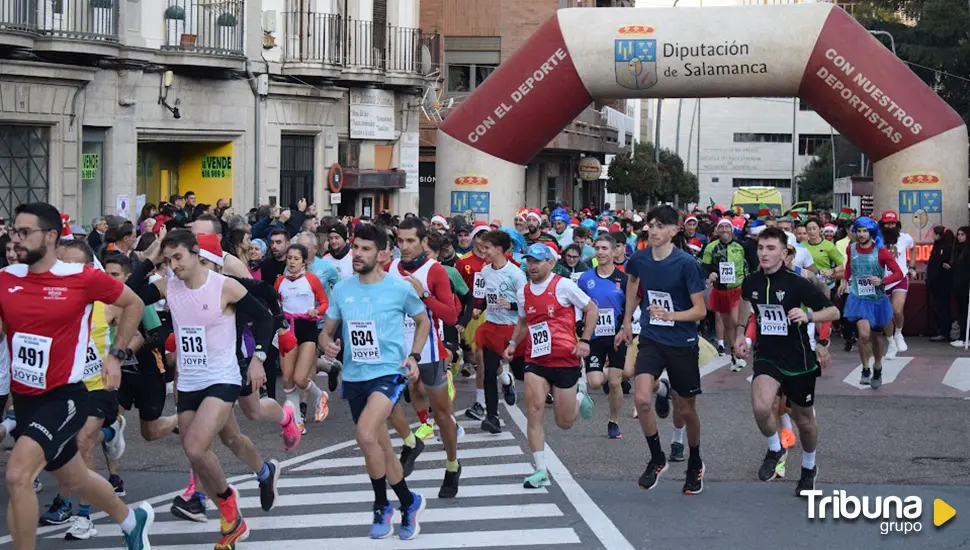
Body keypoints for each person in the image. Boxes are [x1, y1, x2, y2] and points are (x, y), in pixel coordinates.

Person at [0, 202, 154, 549]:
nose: (16, 240)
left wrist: (116, 355)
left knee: (17, 474)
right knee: (75, 476)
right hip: (24, 398)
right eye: (14, 232)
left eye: (25, 232)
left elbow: (134, 304)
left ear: (51, 236)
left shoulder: (80, 278)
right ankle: (132, 520)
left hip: (65, 397)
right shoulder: (6, 279)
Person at [139, 230, 277, 546]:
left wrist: (258, 358)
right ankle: (242, 502)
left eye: (179, 257)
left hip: (223, 376)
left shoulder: (223, 286)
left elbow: (264, 317)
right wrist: (150, 257)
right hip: (189, 381)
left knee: (196, 446)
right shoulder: (168, 287)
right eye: (168, 259)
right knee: (217, 445)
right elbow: (127, 292)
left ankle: (229, 513)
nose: (173, 265)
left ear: (197, 253)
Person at [319, 224, 429, 540]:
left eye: (366, 249)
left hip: (389, 374)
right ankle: (409, 501)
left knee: (364, 433)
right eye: (355, 247)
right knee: (380, 446)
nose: (357, 254)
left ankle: (381, 505)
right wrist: (327, 342)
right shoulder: (342, 289)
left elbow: (422, 320)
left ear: (382, 254)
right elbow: (326, 330)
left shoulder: (399, 289)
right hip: (355, 377)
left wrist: (415, 356)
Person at [735, 228, 839, 495]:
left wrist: (809, 317)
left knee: (804, 421)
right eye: (761, 248)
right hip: (767, 354)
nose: (764, 253)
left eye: (771, 249)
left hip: (798, 357)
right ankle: (775, 447)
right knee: (761, 407)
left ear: (784, 253)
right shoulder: (751, 282)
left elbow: (833, 311)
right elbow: (745, 305)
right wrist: (740, 334)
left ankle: (808, 466)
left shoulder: (797, 283)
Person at [618, 205, 707, 493]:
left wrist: (672, 316)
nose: (653, 231)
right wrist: (627, 321)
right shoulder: (640, 258)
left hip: (682, 342)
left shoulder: (686, 264)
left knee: (686, 410)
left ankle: (695, 461)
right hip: (652, 338)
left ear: (674, 230)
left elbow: (700, 310)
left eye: (659, 226)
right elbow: (632, 280)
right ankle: (657, 458)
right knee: (642, 399)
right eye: (650, 225)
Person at [505, 243, 597, 488]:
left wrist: (585, 341)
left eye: (537, 261)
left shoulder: (564, 285)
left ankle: (579, 396)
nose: (531, 266)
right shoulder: (524, 292)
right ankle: (540, 469)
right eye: (529, 261)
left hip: (565, 359)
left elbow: (592, 309)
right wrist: (514, 342)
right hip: (536, 360)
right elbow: (524, 321)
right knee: (533, 410)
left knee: (564, 423)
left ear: (550, 263)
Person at [385, 217, 461, 496]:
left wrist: (424, 293)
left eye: (410, 241)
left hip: (430, 352)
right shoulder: (390, 267)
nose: (404, 247)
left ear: (423, 242)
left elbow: (451, 316)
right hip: (396, 353)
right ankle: (410, 441)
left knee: (443, 415)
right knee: (385, 405)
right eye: (400, 241)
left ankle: (452, 466)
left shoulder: (435, 270)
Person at [577, 234, 631, 439]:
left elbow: (630, 308)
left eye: (604, 249)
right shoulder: (585, 278)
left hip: (616, 336)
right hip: (594, 336)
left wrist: (625, 328)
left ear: (614, 251)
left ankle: (614, 421)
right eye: (597, 248)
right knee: (595, 382)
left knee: (616, 383)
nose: (600, 252)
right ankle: (609, 371)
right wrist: (579, 325)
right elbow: (576, 304)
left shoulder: (623, 279)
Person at [839, 217, 904, 389]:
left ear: (871, 232)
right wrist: (844, 280)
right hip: (858, 298)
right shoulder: (850, 248)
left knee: (877, 338)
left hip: (877, 300)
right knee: (864, 335)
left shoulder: (881, 251)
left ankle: (878, 366)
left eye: (865, 231)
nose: (861, 234)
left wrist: (882, 281)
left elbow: (899, 274)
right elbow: (849, 267)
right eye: (858, 231)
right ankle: (865, 368)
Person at [474, 230, 528, 433]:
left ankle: (509, 383)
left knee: (522, 372)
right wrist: (479, 306)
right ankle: (492, 417)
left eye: (487, 248)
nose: (484, 251)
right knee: (489, 371)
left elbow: (526, 304)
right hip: (492, 327)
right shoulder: (486, 271)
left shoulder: (516, 274)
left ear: (499, 249)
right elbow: (484, 294)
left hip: (514, 330)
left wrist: (512, 305)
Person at [275, 244, 330, 431]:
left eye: (296, 258)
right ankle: (297, 422)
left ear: (303, 261)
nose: (291, 262)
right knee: (287, 379)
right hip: (288, 329)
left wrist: (317, 310)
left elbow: (324, 302)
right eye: (289, 258)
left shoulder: (311, 280)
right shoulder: (280, 281)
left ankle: (319, 396)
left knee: (300, 378)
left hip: (307, 327)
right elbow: (276, 305)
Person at [700, 218, 749, 371]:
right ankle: (734, 354)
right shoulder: (711, 247)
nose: (725, 230)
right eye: (721, 227)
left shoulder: (740, 245)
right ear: (717, 230)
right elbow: (705, 266)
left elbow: (748, 264)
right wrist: (711, 274)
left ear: (732, 229)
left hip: (738, 289)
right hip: (720, 290)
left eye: (727, 227)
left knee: (735, 320)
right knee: (728, 324)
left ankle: (740, 346)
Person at [878, 210, 914, 356]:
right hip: (881, 280)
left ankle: (899, 333)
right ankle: (891, 343)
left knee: (897, 310)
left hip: (900, 278)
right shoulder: (876, 239)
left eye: (893, 223)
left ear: (897, 224)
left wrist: (911, 266)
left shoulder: (905, 238)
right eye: (887, 224)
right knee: (886, 315)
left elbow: (913, 248)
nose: (890, 226)